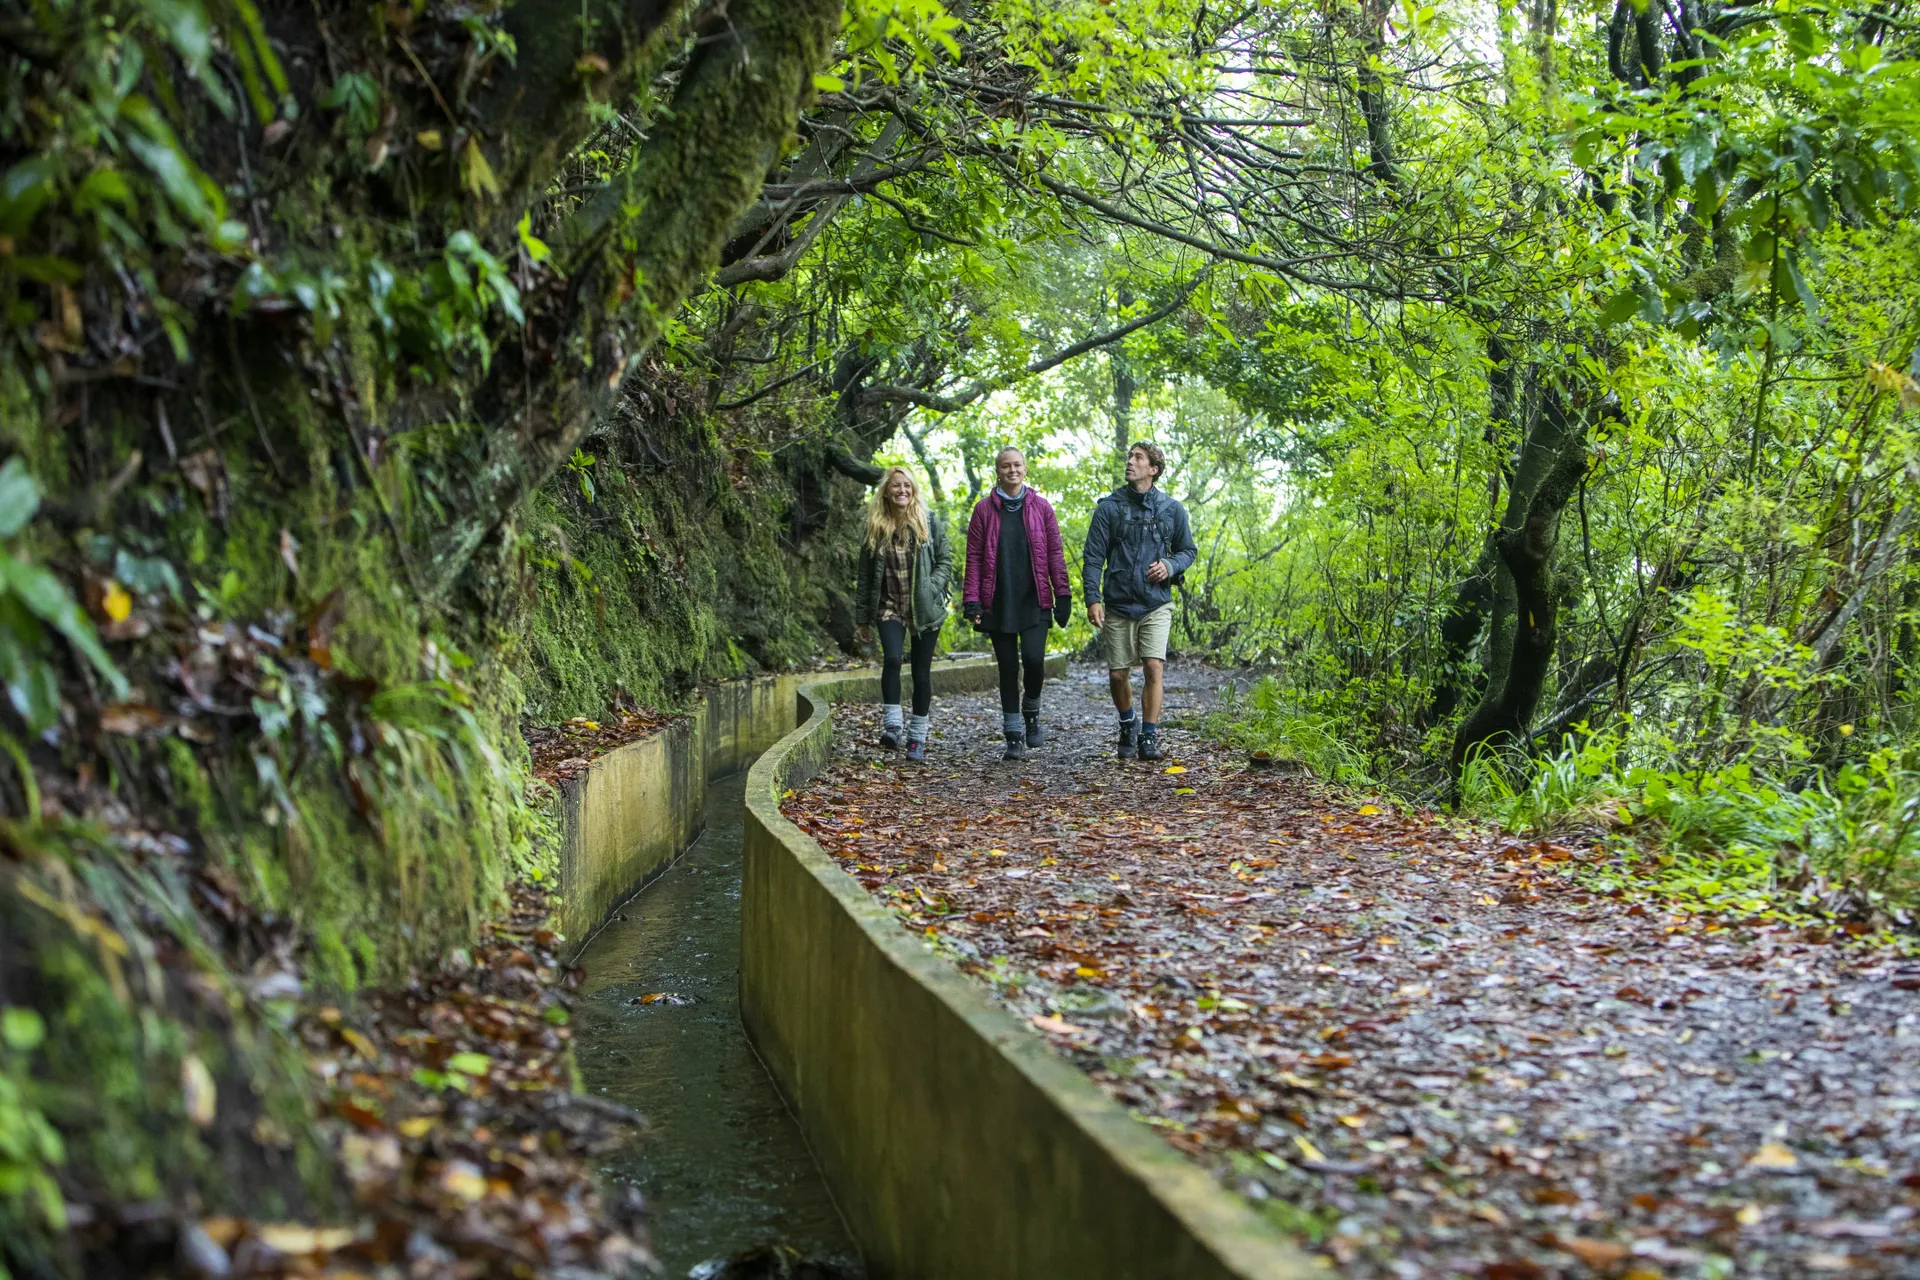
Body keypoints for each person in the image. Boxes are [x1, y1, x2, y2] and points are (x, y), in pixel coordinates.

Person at [1082, 441, 1197, 761]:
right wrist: (1093, 598)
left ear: (1153, 469)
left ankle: (1148, 735)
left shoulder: (1172, 509)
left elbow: (1188, 550)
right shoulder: (1108, 508)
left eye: (1138, 458)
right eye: (1129, 456)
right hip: (1118, 601)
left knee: (1152, 666)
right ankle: (1127, 721)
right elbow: (1093, 557)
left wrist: (1170, 566)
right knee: (1118, 674)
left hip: (1156, 602)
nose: (1130, 462)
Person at [962, 447, 1071, 761]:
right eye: (1006, 466)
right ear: (998, 471)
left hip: (1035, 598)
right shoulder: (983, 510)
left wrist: (1062, 594)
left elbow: (1054, 554)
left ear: (1025, 469)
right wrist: (972, 601)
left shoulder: (1042, 508)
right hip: (997, 601)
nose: (1012, 470)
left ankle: (1032, 713)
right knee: (1008, 668)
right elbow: (974, 558)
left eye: (1017, 465)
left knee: (1035, 660)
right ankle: (1013, 735)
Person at [854, 467, 952, 763]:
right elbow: (864, 575)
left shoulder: (928, 520)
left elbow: (945, 561)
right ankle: (893, 726)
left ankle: (917, 738)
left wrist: (931, 588)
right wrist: (862, 619)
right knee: (893, 659)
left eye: (907, 485)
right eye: (896, 486)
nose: (902, 491)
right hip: (889, 606)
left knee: (921, 671)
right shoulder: (875, 525)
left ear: (913, 489)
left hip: (925, 609)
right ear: (886, 490)